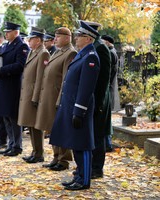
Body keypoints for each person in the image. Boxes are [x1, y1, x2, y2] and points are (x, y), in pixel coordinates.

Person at [50, 21, 100, 190]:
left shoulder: (91, 56)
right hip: (71, 105)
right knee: (76, 143)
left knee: (83, 145)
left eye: (79, 36)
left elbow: (86, 87)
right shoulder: (82, 54)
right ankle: (78, 175)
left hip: (80, 108)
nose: (76, 38)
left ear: (87, 38)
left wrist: (79, 111)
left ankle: (84, 180)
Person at [37, 27, 77, 170]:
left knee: (61, 128)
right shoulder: (57, 51)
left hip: (57, 97)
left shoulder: (70, 52)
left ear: (67, 38)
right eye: (55, 37)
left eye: (58, 37)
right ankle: (56, 157)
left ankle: (64, 159)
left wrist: (60, 99)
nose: (55, 40)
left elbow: (66, 79)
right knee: (52, 128)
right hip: (49, 96)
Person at [0, 21, 30, 156]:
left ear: (16, 32)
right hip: (4, 84)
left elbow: (21, 65)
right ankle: (11, 143)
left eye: (8, 32)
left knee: (13, 117)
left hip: (13, 86)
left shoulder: (21, 46)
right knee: (6, 116)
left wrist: (2, 70)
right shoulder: (7, 45)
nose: (6, 34)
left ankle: (17, 146)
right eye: (6, 32)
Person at [18, 27, 50, 163]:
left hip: (33, 94)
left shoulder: (43, 53)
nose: (29, 41)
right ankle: (34, 151)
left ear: (38, 40)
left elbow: (40, 77)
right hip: (28, 92)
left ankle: (39, 153)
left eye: (31, 39)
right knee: (30, 124)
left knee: (35, 125)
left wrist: (35, 97)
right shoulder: (33, 52)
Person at [86, 21, 112, 179]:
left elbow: (104, 79)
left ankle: (97, 168)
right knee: (91, 133)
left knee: (98, 134)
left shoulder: (101, 48)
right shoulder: (92, 47)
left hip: (99, 99)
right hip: (92, 98)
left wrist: (100, 103)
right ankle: (90, 165)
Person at [101, 34, 119, 152]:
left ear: (107, 42)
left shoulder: (110, 53)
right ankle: (108, 143)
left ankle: (108, 144)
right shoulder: (113, 52)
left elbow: (109, 74)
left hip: (108, 88)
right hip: (110, 88)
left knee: (106, 120)